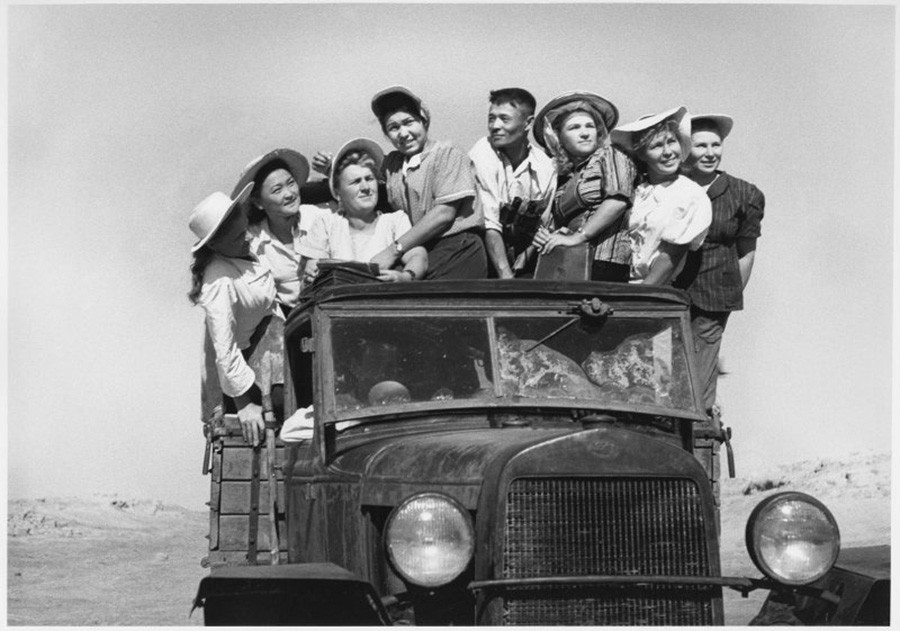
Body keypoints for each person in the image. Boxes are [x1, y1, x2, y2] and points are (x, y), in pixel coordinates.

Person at [674, 114, 765, 413]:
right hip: (671, 289)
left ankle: (699, 433)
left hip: (715, 293)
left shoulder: (744, 194)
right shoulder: (672, 186)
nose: (710, 152)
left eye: (716, 145)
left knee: (700, 369)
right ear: (686, 148)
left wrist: (730, 293)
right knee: (669, 364)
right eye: (701, 146)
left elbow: (747, 251)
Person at [188, 184, 281, 446]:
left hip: (268, 357)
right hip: (248, 382)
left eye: (245, 229)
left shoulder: (241, 253)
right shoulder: (218, 280)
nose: (248, 238)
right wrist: (245, 404)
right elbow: (225, 350)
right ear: (216, 245)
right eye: (239, 237)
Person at [368, 85, 487, 280]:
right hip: (418, 250)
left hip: (458, 248)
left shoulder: (448, 154)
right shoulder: (393, 164)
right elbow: (364, 178)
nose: (403, 133)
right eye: (394, 127)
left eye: (409, 122)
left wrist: (392, 251)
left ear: (424, 120)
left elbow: (444, 215)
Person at [529, 91, 637, 282]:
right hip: (567, 262)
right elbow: (558, 223)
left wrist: (578, 237)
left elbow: (618, 201)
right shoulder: (563, 176)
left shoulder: (610, 155)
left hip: (605, 262)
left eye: (590, 126)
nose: (585, 132)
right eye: (574, 127)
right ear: (559, 137)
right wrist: (547, 236)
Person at [298, 137, 427, 282]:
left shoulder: (395, 221)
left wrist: (405, 276)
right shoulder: (326, 224)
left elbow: (418, 256)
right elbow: (312, 268)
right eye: (356, 182)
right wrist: (310, 275)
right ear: (338, 193)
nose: (366, 188)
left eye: (370, 179)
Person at [610, 107, 712, 285]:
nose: (667, 152)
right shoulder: (637, 191)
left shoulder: (690, 194)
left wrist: (641, 296)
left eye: (671, 142)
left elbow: (671, 257)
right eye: (657, 146)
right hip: (620, 286)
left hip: (654, 293)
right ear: (641, 154)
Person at [468, 88, 556, 278]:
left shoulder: (546, 166)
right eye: (491, 118)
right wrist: (507, 280)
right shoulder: (482, 153)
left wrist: (523, 261)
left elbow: (543, 223)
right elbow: (490, 224)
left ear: (528, 123)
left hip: (523, 253)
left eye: (504, 119)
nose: (495, 126)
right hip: (482, 250)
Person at [232, 149, 317, 315]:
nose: (289, 194)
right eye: (277, 190)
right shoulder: (253, 243)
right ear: (258, 202)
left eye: (291, 183)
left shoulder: (319, 217)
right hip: (293, 322)